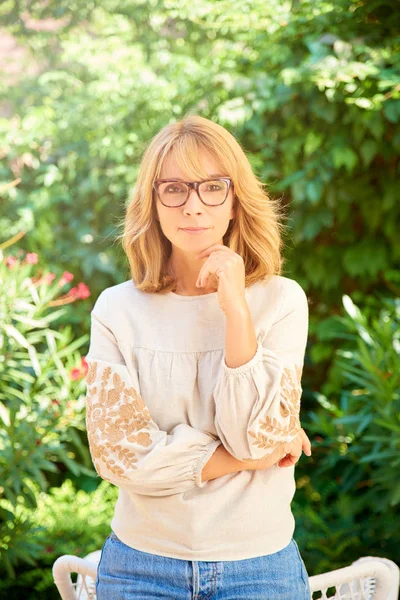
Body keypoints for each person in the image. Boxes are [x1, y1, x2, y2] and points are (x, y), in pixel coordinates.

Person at [85, 114, 312, 599]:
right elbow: (120, 458)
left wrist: (235, 310)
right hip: (139, 566)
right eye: (174, 189)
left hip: (259, 567)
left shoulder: (283, 301)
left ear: (234, 201)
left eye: (212, 187)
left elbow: (253, 436)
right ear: (153, 202)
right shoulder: (117, 309)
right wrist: (247, 461)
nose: (193, 206)